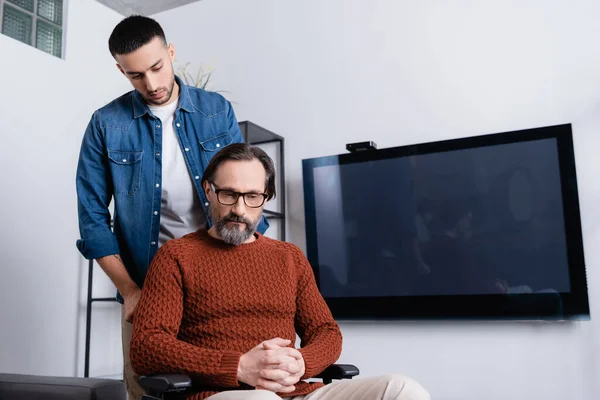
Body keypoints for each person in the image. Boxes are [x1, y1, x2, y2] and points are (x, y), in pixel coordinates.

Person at [129, 143, 430, 400]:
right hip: (220, 394)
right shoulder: (176, 256)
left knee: (402, 389)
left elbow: (326, 332)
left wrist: (301, 362)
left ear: (266, 197)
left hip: (296, 390)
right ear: (209, 190)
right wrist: (237, 366)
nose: (240, 209)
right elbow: (147, 346)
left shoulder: (289, 258)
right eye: (228, 195)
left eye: (252, 196)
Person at [75, 15, 267, 400]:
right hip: (147, 287)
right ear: (121, 71)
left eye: (157, 67)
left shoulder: (216, 110)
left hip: (219, 283)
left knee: (230, 387)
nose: (152, 84)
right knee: (146, 391)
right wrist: (129, 290)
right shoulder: (105, 124)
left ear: (171, 52)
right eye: (135, 75)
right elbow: (92, 219)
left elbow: (242, 190)